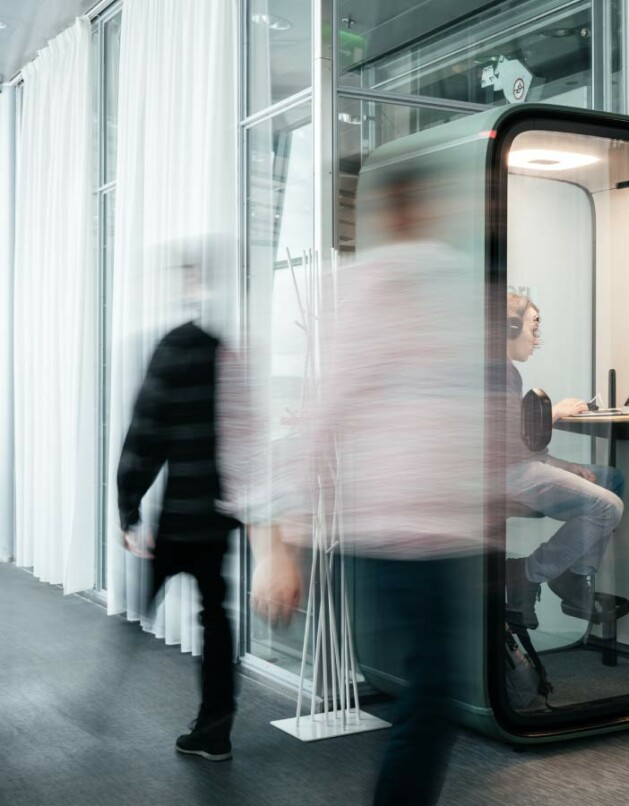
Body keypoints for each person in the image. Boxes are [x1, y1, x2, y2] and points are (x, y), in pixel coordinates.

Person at [251, 164, 486, 806]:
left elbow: (467, 404)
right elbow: (322, 419)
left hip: (446, 532)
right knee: (433, 695)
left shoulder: (448, 280)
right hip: (392, 533)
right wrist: (284, 546)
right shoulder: (368, 289)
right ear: (398, 211)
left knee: (435, 695)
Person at [116, 242, 242, 762]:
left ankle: (106, 696)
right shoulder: (223, 350)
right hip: (216, 514)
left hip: (179, 518)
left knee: (142, 603)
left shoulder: (171, 348)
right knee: (216, 618)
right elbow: (241, 435)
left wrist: (129, 507)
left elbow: (147, 433)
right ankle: (214, 730)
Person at [503, 292, 625, 630]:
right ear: (510, 327)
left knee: (608, 479)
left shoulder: (507, 371)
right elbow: (506, 441)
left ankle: (574, 578)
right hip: (500, 474)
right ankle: (527, 573)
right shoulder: (493, 371)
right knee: (608, 507)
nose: (536, 339)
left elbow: (519, 444)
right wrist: (554, 412)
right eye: (533, 328)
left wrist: (561, 465)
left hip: (514, 465)